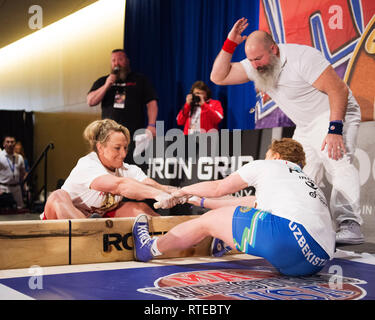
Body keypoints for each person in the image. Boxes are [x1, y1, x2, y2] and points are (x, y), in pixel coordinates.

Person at [209, 18, 363, 245]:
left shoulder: (302, 58)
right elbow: (218, 77)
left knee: (337, 160)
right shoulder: (255, 66)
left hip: (334, 113)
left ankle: (350, 225)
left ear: (273, 49)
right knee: (298, 176)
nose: (255, 65)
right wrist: (230, 43)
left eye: (258, 58)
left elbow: (337, 89)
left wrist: (335, 129)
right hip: (306, 123)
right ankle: (308, 225)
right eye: (251, 60)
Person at [132, 138, 335, 276]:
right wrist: (196, 200)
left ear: (275, 156)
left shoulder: (268, 165)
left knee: (207, 221)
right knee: (246, 214)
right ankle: (226, 238)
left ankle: (149, 248)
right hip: (316, 262)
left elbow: (219, 187)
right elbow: (245, 203)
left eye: (267, 154)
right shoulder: (303, 181)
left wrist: (181, 192)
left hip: (289, 241)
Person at [41, 119, 178, 220]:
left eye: (125, 148)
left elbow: (152, 185)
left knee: (141, 209)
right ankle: (86, 234)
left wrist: (181, 193)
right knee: (57, 195)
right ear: (100, 147)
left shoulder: (127, 168)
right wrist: (157, 194)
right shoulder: (88, 164)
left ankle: (171, 237)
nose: (123, 154)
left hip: (97, 219)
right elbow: (120, 185)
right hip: (65, 218)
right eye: (117, 148)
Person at [87, 49, 159, 164]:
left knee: (132, 168)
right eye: (113, 60)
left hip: (133, 136)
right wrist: (106, 85)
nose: (116, 63)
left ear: (127, 61)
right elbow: (91, 101)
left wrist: (151, 125)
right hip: (108, 136)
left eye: (120, 59)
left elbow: (152, 103)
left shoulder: (139, 80)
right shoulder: (103, 81)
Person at [0, 135, 26, 209]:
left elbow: (22, 173)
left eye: (12, 142)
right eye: (7, 142)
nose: (10, 144)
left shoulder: (19, 157)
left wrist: (24, 187)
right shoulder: (0, 156)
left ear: (15, 143)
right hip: (3, 187)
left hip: (16, 188)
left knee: (20, 209)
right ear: (4, 144)